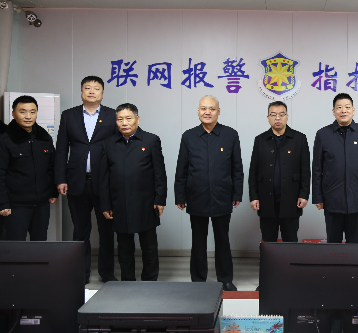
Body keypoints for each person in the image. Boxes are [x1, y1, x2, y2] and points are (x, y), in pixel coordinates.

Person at [175, 95, 243, 291]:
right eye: (203, 108)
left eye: (212, 109)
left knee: (223, 239)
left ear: (218, 112)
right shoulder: (188, 136)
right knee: (198, 241)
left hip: (222, 196)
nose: (207, 112)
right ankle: (198, 281)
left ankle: (225, 279)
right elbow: (182, 169)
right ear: (198, 111)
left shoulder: (230, 135)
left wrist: (237, 193)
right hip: (196, 196)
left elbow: (237, 167)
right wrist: (180, 195)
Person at [55, 76, 118, 284]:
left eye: (96, 88)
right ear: (81, 92)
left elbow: (118, 148)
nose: (92, 91)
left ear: (102, 93)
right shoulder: (69, 115)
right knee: (80, 230)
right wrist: (60, 178)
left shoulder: (112, 115)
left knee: (106, 231)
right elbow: (61, 148)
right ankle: (81, 273)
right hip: (76, 181)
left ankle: (107, 273)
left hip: (104, 182)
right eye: (87, 88)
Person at [100, 103, 167, 281]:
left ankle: (150, 282)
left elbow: (160, 174)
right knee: (124, 247)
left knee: (149, 247)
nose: (124, 123)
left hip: (146, 203)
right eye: (120, 119)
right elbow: (104, 178)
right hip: (119, 203)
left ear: (137, 119)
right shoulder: (108, 143)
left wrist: (160, 199)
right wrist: (105, 204)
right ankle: (127, 283)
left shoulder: (151, 140)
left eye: (128, 118)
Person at [312, 93, 358, 244]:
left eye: (347, 107)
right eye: (339, 107)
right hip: (332, 199)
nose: (343, 110)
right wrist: (318, 197)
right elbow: (317, 169)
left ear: (353, 110)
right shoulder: (323, 134)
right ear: (333, 111)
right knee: (333, 245)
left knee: (355, 244)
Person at [248, 101, 310, 243]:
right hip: (266, 200)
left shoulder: (299, 139)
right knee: (268, 241)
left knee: (290, 240)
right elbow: (253, 171)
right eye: (273, 115)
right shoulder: (260, 140)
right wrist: (254, 196)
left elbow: (305, 170)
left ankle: (290, 259)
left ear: (287, 117)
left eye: (281, 114)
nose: (277, 118)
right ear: (268, 118)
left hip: (292, 199)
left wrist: (304, 194)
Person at [0, 96, 57, 241]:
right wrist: (3, 203)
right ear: (13, 114)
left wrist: (53, 191)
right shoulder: (5, 140)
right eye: (22, 112)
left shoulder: (44, 137)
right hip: (15, 205)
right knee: (16, 246)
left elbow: (51, 167)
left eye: (32, 112)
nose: (28, 116)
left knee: (40, 244)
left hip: (41, 204)